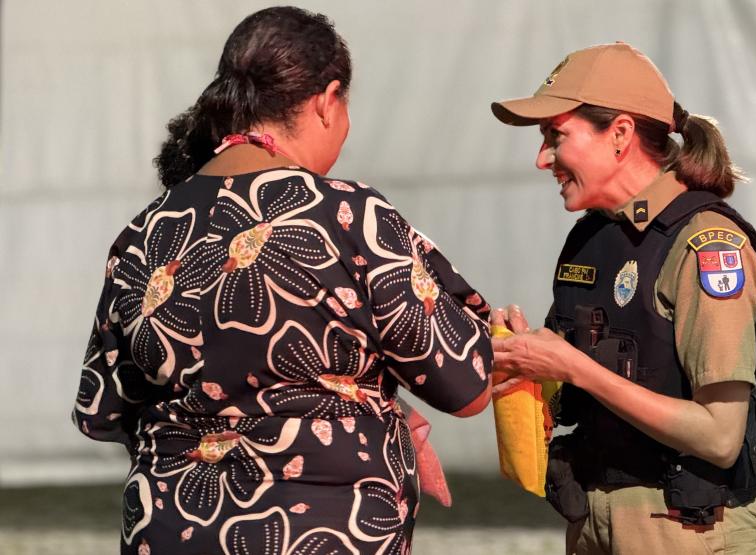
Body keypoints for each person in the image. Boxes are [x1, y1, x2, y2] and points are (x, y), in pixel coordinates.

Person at [71, 7, 492, 554]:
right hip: (325, 531)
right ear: (326, 99)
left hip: (171, 526)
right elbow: (465, 385)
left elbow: (100, 410)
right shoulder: (348, 216)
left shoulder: (145, 232)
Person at [489, 43, 756, 554]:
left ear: (620, 134)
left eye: (556, 136)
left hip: (689, 530)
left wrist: (574, 368)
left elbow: (719, 436)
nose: (542, 160)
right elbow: (593, 391)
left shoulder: (705, 245)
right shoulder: (592, 237)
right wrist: (534, 367)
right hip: (596, 518)